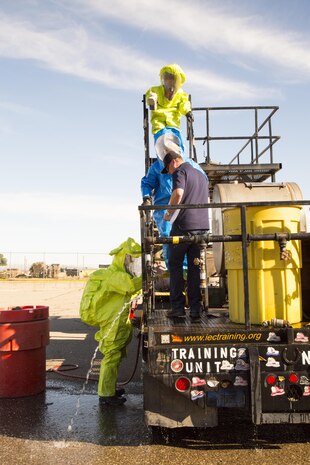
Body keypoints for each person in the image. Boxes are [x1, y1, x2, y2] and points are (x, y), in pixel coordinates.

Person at [80, 238, 142, 406]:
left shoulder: (118, 275)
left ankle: (110, 388)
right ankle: (106, 395)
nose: (134, 263)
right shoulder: (115, 276)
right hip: (112, 322)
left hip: (118, 321)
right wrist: (152, 275)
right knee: (111, 357)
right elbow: (131, 285)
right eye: (132, 259)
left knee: (115, 356)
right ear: (123, 258)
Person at [141, 135, 206, 267]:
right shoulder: (157, 167)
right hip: (167, 209)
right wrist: (146, 197)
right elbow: (147, 183)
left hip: (182, 210)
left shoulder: (189, 165)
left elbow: (185, 190)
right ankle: (179, 272)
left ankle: (183, 273)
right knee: (169, 240)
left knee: (183, 245)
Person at [162, 153, 209, 319]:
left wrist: (168, 213)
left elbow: (178, 193)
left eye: (168, 168)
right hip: (202, 228)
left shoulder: (180, 171)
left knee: (174, 264)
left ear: (174, 162)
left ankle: (178, 308)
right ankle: (195, 309)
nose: (169, 173)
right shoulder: (201, 175)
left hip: (184, 227)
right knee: (194, 268)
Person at [145, 63, 193, 155]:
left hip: (174, 125)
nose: (169, 81)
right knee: (162, 145)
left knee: (179, 144)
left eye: (172, 79)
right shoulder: (156, 90)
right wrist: (152, 99)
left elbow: (184, 103)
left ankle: (181, 161)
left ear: (176, 81)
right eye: (167, 79)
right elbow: (149, 96)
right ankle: (167, 163)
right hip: (159, 124)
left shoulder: (180, 93)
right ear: (163, 79)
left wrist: (187, 112)